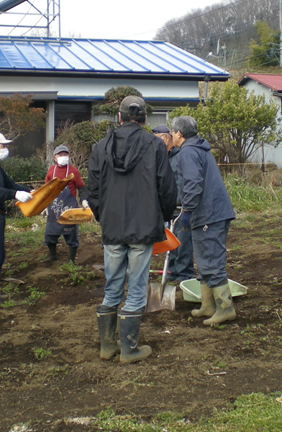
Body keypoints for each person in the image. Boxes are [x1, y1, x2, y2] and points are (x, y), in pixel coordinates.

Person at [88, 96, 177, 364]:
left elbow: (92, 190)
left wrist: (102, 216)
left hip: (112, 227)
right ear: (145, 119)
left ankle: (107, 346)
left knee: (112, 285)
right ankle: (129, 349)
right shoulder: (155, 146)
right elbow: (167, 187)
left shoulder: (100, 148)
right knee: (137, 286)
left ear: (119, 116)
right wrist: (163, 217)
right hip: (144, 227)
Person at [171, 115, 236, 326]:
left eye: (173, 133)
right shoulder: (200, 149)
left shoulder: (188, 152)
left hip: (209, 213)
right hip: (212, 212)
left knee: (211, 258)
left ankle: (226, 308)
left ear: (179, 134)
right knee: (203, 257)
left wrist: (187, 209)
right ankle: (208, 305)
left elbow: (193, 182)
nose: (172, 136)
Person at [0, 132, 35, 305]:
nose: (6, 149)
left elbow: (10, 184)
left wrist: (30, 190)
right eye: (3, 146)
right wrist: (16, 194)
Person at [152, 124, 194, 282]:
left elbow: (185, 181)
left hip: (182, 206)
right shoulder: (159, 158)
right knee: (170, 242)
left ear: (166, 138)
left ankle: (183, 274)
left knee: (183, 243)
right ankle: (172, 271)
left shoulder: (180, 156)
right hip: (167, 207)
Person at [43, 144, 89, 263]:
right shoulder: (51, 171)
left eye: (65, 154)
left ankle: (71, 260)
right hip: (54, 209)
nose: (63, 156)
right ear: (55, 157)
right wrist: (43, 205)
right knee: (50, 234)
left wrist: (84, 200)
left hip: (70, 209)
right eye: (60, 154)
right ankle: (53, 256)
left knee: (71, 235)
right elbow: (46, 189)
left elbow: (82, 187)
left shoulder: (74, 171)